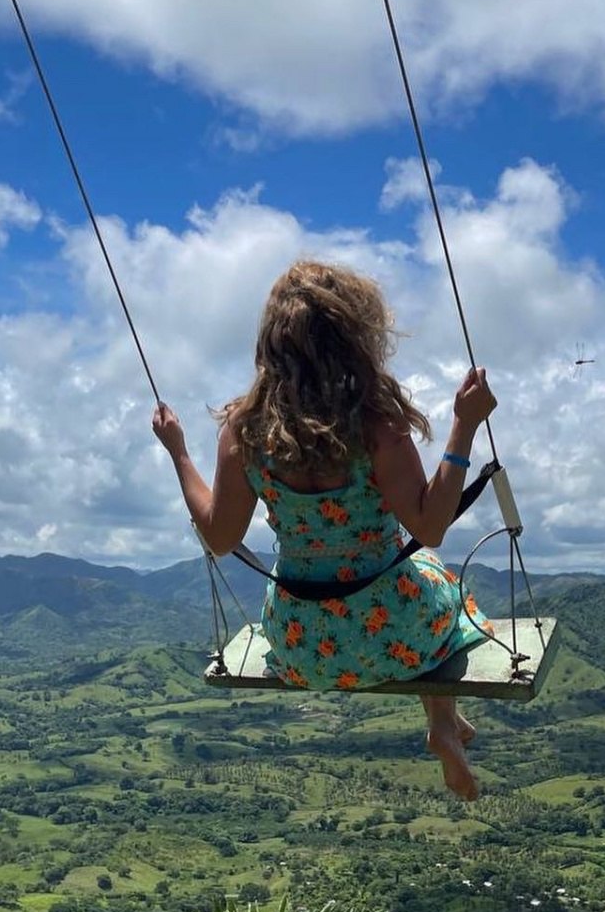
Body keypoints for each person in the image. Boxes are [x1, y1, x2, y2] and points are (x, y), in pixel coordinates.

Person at [151, 259, 498, 800]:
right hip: (393, 637)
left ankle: (445, 726)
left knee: (417, 577)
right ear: (354, 338)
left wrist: (178, 453)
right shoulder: (374, 425)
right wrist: (464, 425)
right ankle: (440, 721)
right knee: (436, 581)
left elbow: (219, 539)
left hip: (300, 643)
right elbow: (430, 527)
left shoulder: (245, 432)